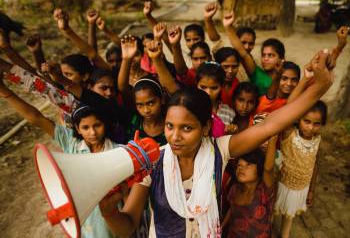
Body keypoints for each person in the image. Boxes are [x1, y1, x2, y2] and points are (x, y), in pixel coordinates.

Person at [99, 49, 333, 238]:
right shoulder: (152, 162)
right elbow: (127, 226)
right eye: (170, 126)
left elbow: (269, 126)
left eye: (187, 128)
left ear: (206, 129)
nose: (175, 136)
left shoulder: (219, 149)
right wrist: (109, 212)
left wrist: (320, 86)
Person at [0, 74, 123, 238]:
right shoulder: (71, 143)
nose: (92, 132)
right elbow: (36, 118)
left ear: (105, 124)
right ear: (77, 129)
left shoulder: (118, 152)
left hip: (111, 225)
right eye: (85, 127)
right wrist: (5, 92)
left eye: (97, 125)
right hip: (85, 226)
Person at [274, 101, 327, 238]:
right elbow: (289, 108)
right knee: (271, 213)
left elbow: (314, 165)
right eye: (307, 121)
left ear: (322, 124)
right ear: (298, 118)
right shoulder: (289, 133)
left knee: (289, 217)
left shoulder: (317, 140)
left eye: (317, 123)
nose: (310, 127)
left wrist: (312, 190)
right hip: (282, 184)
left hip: (301, 188)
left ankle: (284, 234)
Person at [221, 136, 277, 238]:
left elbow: (268, 168)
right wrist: (221, 226)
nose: (242, 168)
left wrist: (273, 138)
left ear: (259, 168)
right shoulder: (234, 189)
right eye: (239, 165)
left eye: (248, 164)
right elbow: (231, 210)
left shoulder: (264, 191)